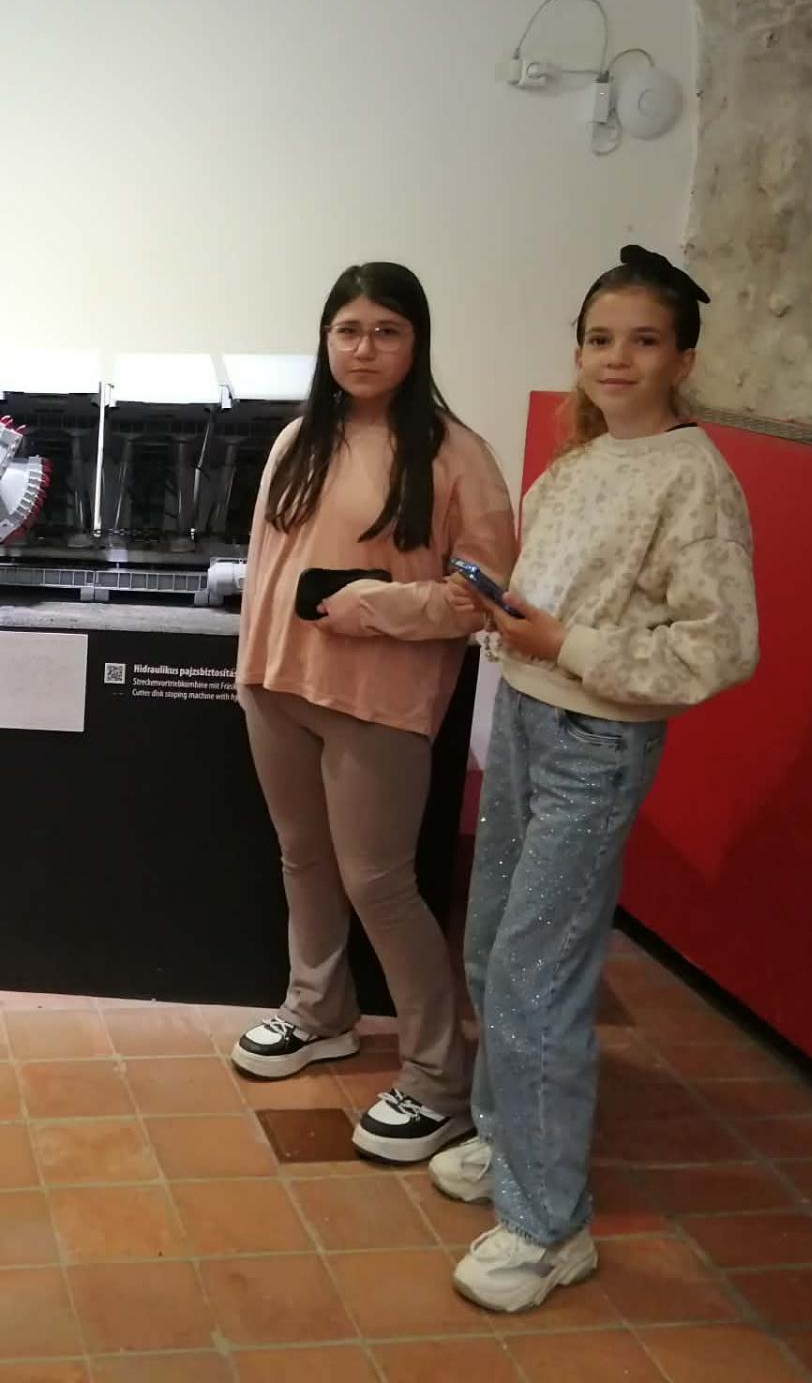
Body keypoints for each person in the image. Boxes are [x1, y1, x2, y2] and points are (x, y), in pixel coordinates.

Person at [436, 246, 759, 1312]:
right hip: (530, 718)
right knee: (493, 944)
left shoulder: (694, 477)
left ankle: (549, 1225)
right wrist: (502, 611)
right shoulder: (576, 463)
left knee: (538, 976)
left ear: (684, 359)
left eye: (644, 341)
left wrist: (566, 642)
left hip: (596, 742)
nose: (617, 359)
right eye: (600, 339)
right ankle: (508, 1140)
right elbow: (549, 603)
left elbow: (719, 647)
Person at [232, 261, 517, 1164]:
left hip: (379, 702)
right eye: (348, 330)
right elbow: (267, 574)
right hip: (278, 687)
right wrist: (252, 672)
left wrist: (371, 604)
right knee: (303, 858)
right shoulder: (297, 442)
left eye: (387, 331)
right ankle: (320, 1011)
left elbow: (483, 599)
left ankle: (439, 1078)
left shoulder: (457, 455)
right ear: (326, 339)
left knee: (380, 884)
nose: (364, 348)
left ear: (416, 343)